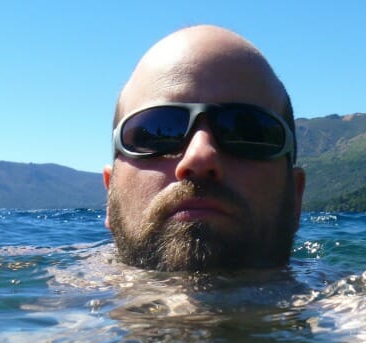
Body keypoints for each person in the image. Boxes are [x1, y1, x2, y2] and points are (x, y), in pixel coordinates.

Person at [103, 25, 306, 272]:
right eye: (157, 130)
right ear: (110, 192)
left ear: (296, 197)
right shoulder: (47, 296)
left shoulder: (361, 305)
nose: (200, 156)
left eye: (248, 133)